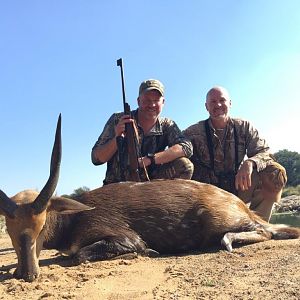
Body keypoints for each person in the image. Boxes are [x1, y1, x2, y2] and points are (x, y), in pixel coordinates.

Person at [183, 86, 287, 222]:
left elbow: (264, 152)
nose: (218, 105)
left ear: (230, 103)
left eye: (222, 100)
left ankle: (259, 227)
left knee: (274, 171)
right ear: (206, 106)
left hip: (238, 188)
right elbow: (178, 151)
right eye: (213, 102)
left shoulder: (244, 126)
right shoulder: (191, 132)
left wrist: (250, 162)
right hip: (206, 197)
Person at [92, 78, 193, 185]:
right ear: (138, 101)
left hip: (151, 188)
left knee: (184, 165)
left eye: (156, 100)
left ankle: (164, 201)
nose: (152, 105)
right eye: (147, 100)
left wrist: (151, 159)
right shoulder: (118, 119)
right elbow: (96, 158)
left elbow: (186, 147)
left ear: (163, 102)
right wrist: (117, 138)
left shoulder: (167, 125)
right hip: (117, 187)